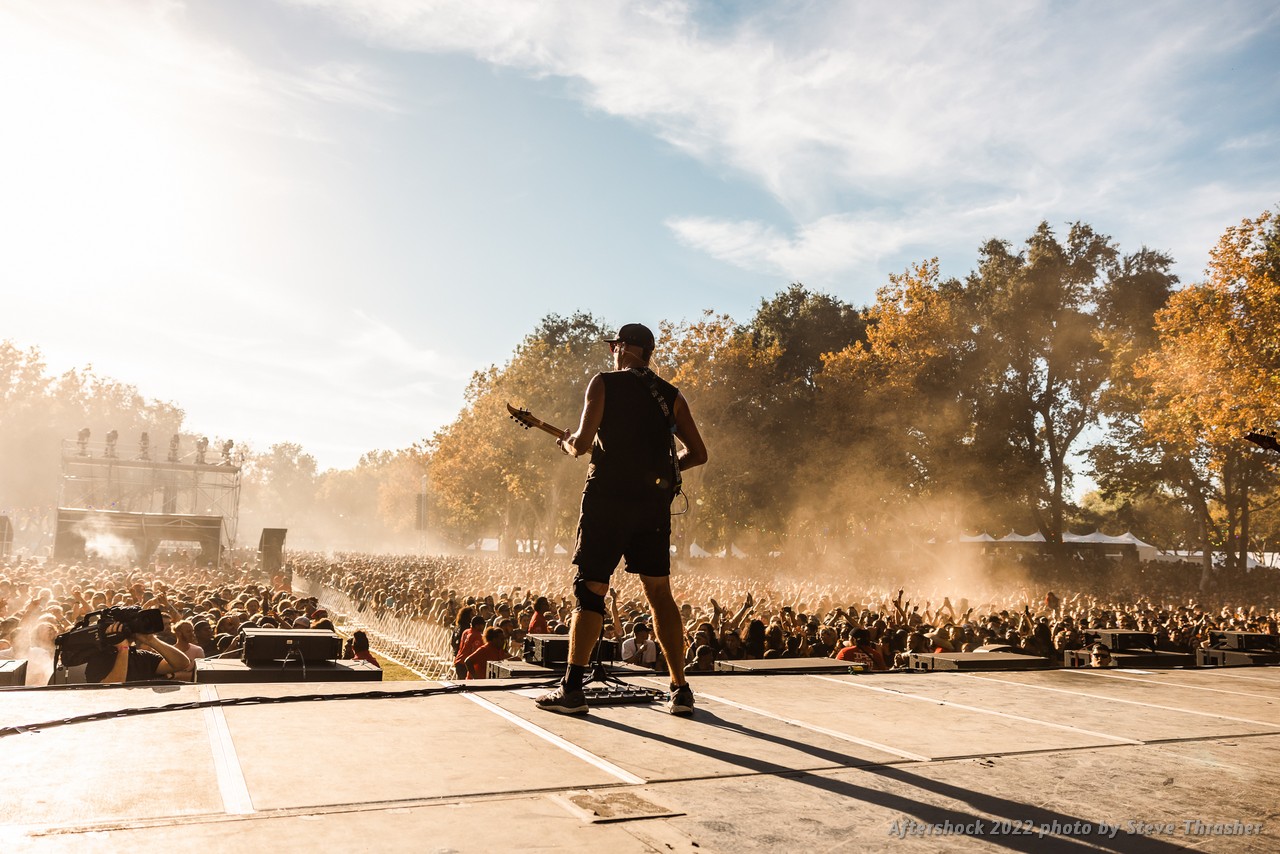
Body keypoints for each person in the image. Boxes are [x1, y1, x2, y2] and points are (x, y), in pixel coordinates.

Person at [537, 322, 708, 715]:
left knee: (591, 588)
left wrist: (567, 445)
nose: (611, 353)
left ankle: (572, 690)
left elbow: (582, 444)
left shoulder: (603, 383)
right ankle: (680, 690)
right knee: (660, 593)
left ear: (624, 349)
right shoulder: (671, 395)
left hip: (607, 501)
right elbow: (698, 453)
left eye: (614, 347)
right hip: (652, 506)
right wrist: (663, 474)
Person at [85, 621, 193, 684]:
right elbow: (112, 688)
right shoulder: (97, 659)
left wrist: (151, 640)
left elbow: (182, 663)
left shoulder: (142, 656)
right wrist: (123, 648)